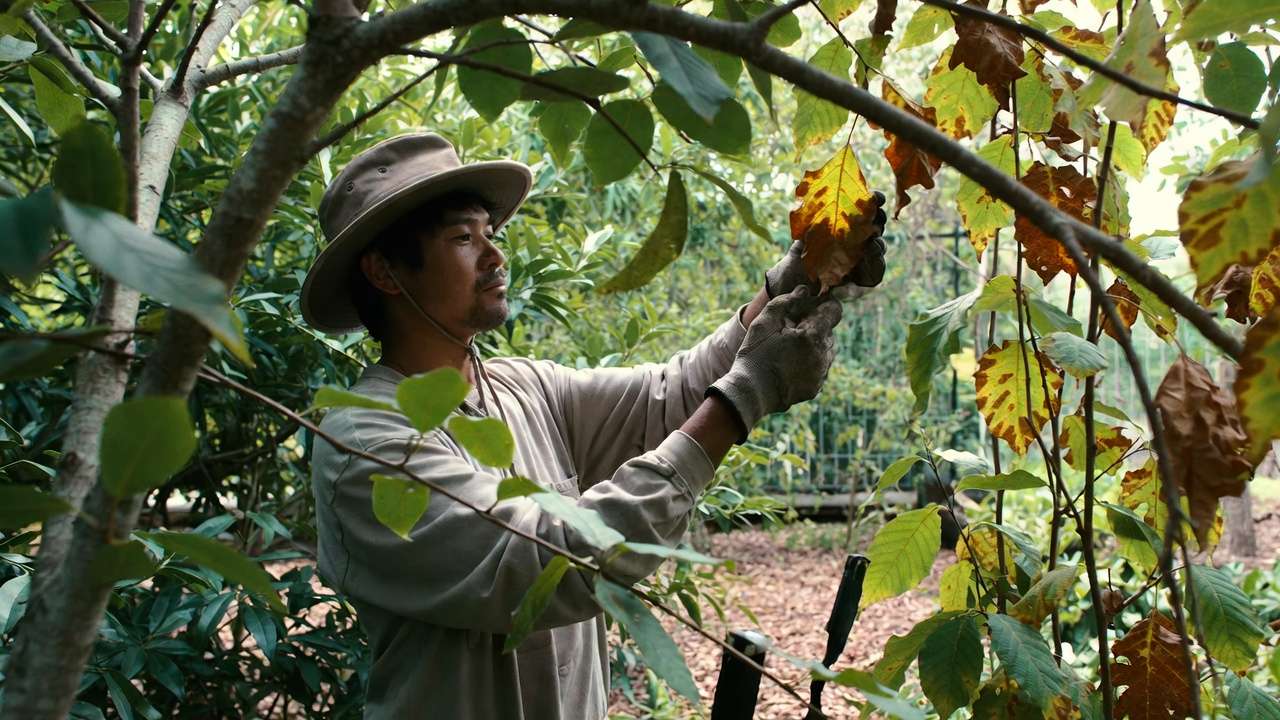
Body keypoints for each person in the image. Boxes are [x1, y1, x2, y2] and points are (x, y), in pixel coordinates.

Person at [302, 133, 888, 719]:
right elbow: (547, 566)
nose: (494, 256)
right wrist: (744, 397)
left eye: (490, 234)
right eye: (462, 237)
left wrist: (793, 282)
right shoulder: (365, 443)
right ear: (384, 271)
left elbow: (669, 399)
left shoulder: (521, 388)